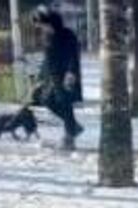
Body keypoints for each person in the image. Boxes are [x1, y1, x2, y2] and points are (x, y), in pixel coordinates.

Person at [33, 7, 82, 150]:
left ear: (50, 23)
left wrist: (71, 72)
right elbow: (47, 60)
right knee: (46, 100)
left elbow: (73, 55)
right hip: (52, 77)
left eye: (42, 25)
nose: (41, 28)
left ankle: (69, 138)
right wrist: (40, 78)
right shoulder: (48, 37)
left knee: (65, 104)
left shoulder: (67, 35)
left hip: (66, 76)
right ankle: (73, 127)